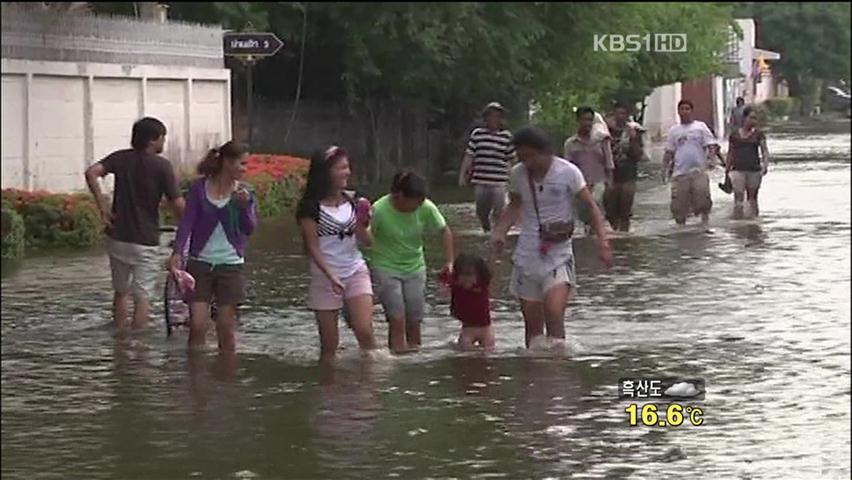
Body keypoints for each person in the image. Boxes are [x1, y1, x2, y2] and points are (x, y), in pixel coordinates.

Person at [491, 126, 612, 350]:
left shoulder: (568, 172)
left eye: (529, 156)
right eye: (521, 157)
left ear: (545, 151)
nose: (526, 162)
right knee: (532, 327)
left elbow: (591, 207)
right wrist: (499, 233)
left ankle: (559, 372)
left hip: (558, 253)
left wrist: (603, 242)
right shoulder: (517, 174)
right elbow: (514, 206)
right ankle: (535, 376)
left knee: (554, 312)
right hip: (527, 254)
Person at [84, 117, 184, 332]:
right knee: (142, 297)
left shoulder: (120, 158)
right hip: (145, 240)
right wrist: (190, 225)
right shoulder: (162, 166)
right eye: (162, 138)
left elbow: (91, 172)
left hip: (117, 236)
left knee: (120, 292)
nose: (163, 143)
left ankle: (119, 342)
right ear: (153, 140)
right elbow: (177, 204)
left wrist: (103, 206)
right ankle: (138, 348)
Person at [168, 141, 257, 353]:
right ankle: (196, 376)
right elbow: (187, 222)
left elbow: (249, 228)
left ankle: (227, 376)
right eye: (241, 164)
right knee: (197, 325)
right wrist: (177, 252)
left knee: (226, 328)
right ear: (227, 162)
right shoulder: (199, 188)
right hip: (200, 262)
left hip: (230, 264)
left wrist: (244, 208)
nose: (245, 169)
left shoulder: (245, 192)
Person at [296, 146, 380, 363]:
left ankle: (373, 383)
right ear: (326, 172)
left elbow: (368, 241)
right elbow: (312, 247)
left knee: (364, 331)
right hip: (325, 277)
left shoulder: (354, 201)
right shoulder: (309, 207)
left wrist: (363, 224)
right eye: (341, 168)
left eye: (347, 167)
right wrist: (331, 275)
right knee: (329, 346)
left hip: (355, 270)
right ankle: (329, 389)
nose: (347, 172)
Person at [365, 170, 455, 353]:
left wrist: (450, 261)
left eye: (421, 202)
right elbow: (366, 238)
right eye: (414, 202)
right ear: (398, 196)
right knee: (396, 316)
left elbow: (444, 231)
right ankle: (397, 357)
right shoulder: (379, 210)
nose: (418, 206)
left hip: (414, 267)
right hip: (385, 266)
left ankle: (414, 356)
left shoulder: (426, 207)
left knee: (414, 317)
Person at [459, 102, 516, 233]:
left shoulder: (506, 136)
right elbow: (469, 156)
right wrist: (462, 175)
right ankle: (486, 228)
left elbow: (513, 159)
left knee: (498, 209)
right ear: (486, 118)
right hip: (481, 180)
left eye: (497, 116)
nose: (494, 119)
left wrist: (517, 179)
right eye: (491, 116)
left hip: (499, 181)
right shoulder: (477, 134)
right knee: (481, 210)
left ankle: (496, 233)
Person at [662, 99, 720, 230]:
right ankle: (681, 229)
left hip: (699, 171)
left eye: (687, 109)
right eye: (682, 109)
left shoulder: (700, 127)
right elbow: (669, 151)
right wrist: (664, 169)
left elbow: (711, 145)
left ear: (692, 111)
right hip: (680, 173)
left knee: (703, 201)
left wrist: (711, 159)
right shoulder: (673, 131)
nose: (684, 112)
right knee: (678, 205)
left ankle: (705, 226)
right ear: (678, 112)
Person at [564, 107, 614, 235]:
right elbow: (568, 168)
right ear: (578, 121)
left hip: (599, 181)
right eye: (584, 120)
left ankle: (597, 238)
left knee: (595, 205)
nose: (587, 123)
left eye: (590, 120)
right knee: (584, 216)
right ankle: (589, 238)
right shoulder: (570, 144)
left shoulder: (601, 140)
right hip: (580, 185)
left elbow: (609, 162)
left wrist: (610, 183)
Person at [439, 253, 496, 351]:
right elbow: (442, 277)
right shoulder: (456, 283)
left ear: (478, 275)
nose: (467, 280)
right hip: (468, 328)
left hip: (486, 328)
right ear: (457, 275)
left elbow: (491, 266)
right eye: (463, 276)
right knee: (465, 352)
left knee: (489, 353)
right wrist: (443, 285)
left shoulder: (482, 284)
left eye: (470, 276)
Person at [604, 102, 645, 232]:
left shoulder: (634, 131)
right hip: (610, 176)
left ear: (627, 116)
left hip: (628, 175)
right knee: (610, 211)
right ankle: (616, 234)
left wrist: (633, 140)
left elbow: (639, 156)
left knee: (625, 211)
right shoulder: (605, 131)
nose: (620, 116)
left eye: (623, 114)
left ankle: (624, 237)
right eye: (617, 113)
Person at [726, 106, 770, 218]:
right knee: (738, 196)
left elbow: (764, 151)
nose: (753, 121)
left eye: (755, 118)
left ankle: (753, 221)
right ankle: (738, 220)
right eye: (751, 118)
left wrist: (765, 166)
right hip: (737, 169)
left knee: (753, 198)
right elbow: (730, 153)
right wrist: (727, 171)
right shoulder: (735, 135)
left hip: (754, 170)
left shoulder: (759, 134)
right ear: (744, 118)